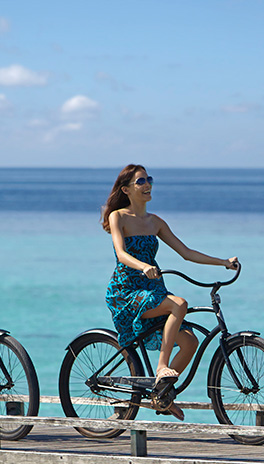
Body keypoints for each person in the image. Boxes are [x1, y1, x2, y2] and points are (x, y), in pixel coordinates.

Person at [101, 164, 238, 420]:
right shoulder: (118, 217)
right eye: (141, 181)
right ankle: (162, 367)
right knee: (179, 303)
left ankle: (160, 394)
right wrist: (144, 266)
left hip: (153, 288)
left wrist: (223, 262)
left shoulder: (156, 222)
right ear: (126, 189)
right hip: (126, 290)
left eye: (149, 179)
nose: (147, 185)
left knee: (190, 342)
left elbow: (186, 253)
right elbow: (121, 253)